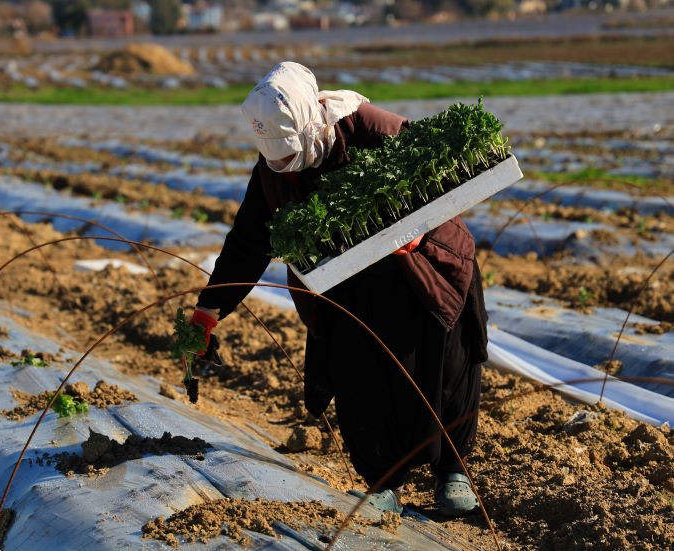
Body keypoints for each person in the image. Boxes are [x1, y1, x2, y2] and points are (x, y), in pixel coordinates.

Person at [189, 62, 488, 517]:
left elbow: (443, 173)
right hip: (348, 288)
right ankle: (383, 483)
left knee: (441, 365)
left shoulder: (369, 128)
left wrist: (419, 230)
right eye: (276, 158)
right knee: (359, 375)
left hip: (423, 269)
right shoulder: (272, 172)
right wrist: (209, 311)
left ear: (312, 121)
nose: (284, 166)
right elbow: (248, 243)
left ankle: (452, 471)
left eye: (290, 155)